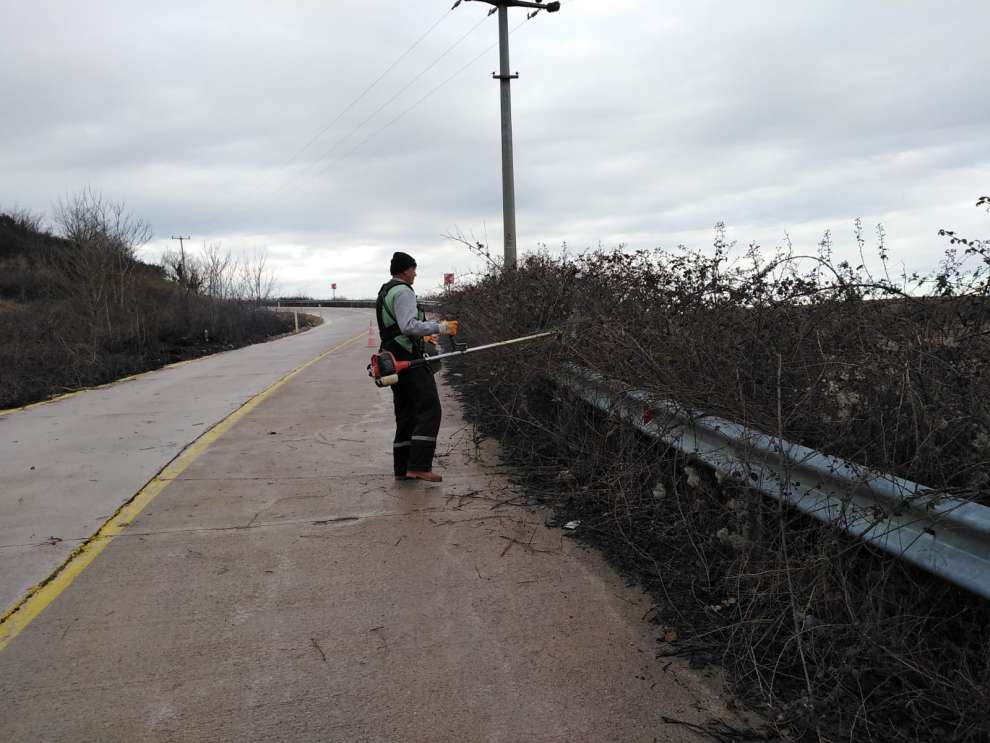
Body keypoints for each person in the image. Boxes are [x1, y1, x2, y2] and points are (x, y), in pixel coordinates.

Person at [376, 251, 459, 483]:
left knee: (406, 413)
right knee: (429, 407)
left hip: (392, 357)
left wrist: (422, 337)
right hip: (407, 358)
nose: (415, 273)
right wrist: (439, 328)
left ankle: (402, 468)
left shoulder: (386, 291)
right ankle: (420, 466)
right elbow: (408, 325)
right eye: (413, 268)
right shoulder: (403, 291)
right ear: (404, 270)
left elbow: (396, 327)